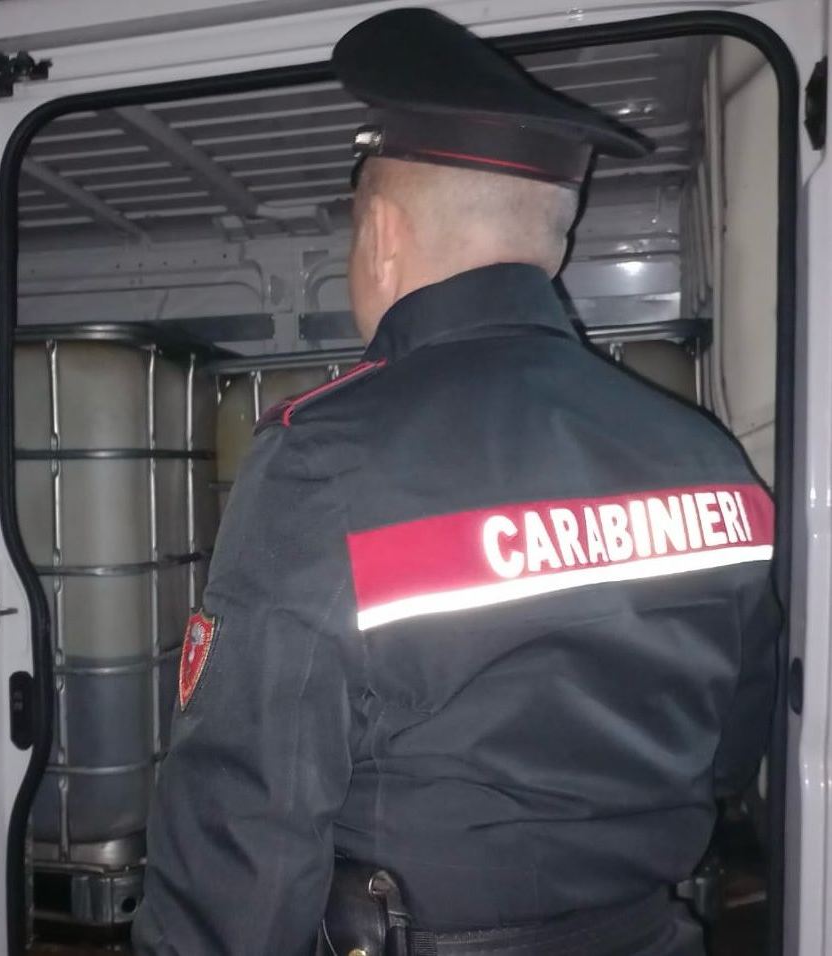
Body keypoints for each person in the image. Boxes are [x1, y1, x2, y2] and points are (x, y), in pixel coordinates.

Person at [132, 9, 779, 955]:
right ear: (552, 246)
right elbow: (733, 748)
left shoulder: (324, 460)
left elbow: (243, 842)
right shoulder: (711, 461)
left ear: (383, 235)